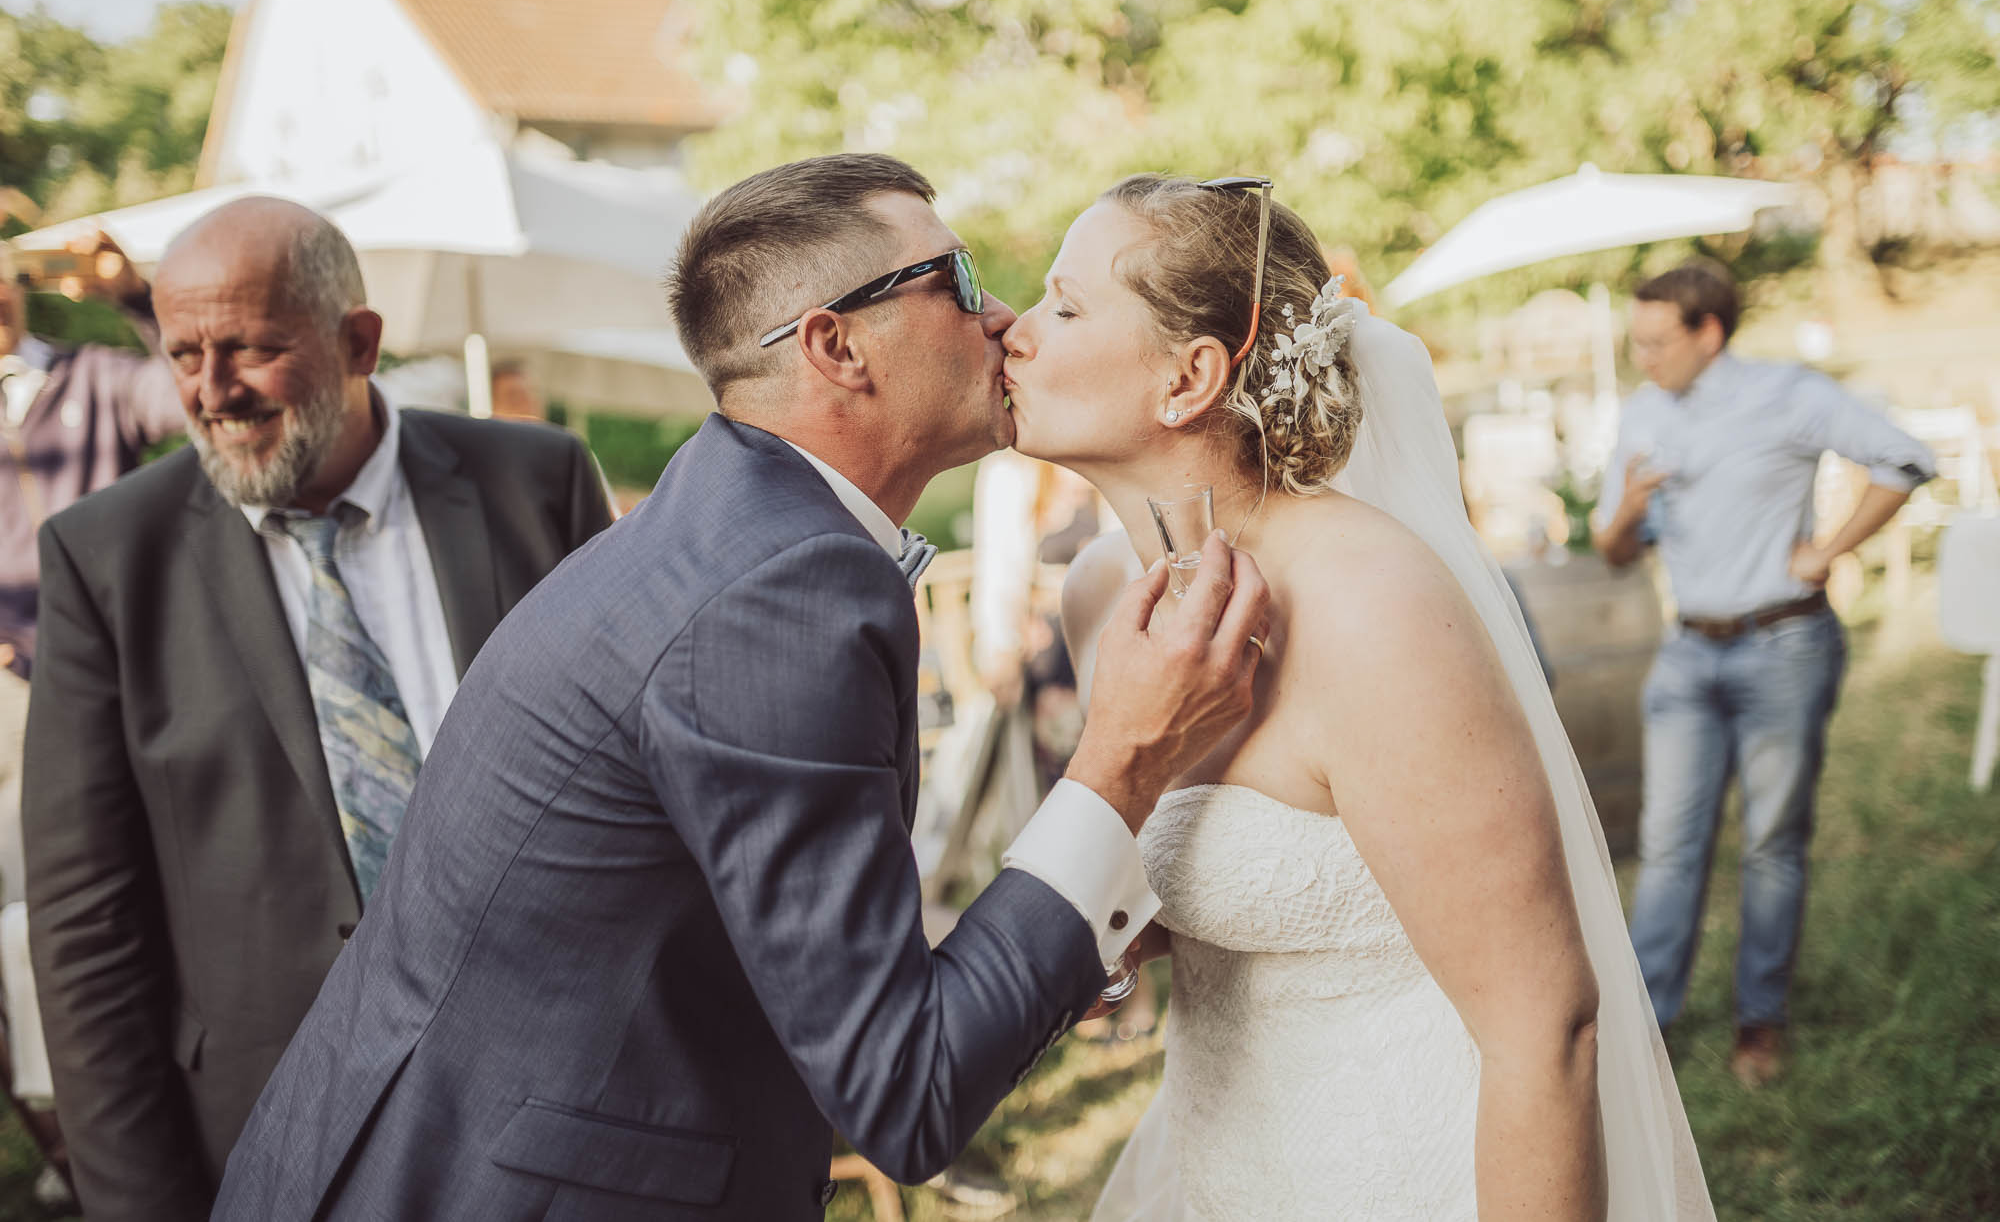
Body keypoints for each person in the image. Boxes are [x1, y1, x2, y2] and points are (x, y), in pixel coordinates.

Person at [214, 154, 1268, 1221]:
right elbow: (904, 1091)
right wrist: (1120, 761)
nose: (1000, 318)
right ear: (833, 344)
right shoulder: (782, 590)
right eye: (954, 281)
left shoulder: (729, 524)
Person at [1003, 174, 1713, 1219]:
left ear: (1187, 376)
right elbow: (1168, 899)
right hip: (1218, 1170)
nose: (1008, 332)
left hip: (1411, 1171)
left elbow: (1543, 1025)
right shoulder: (1102, 593)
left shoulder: (1371, 604)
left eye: (1061, 307)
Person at [23, 197, 614, 1222]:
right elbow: (85, 931)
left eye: (249, 349)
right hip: (274, 1141)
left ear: (360, 341)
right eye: (182, 354)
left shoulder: (537, 484)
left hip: (564, 1109)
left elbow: (630, 794)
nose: (211, 393)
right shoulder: (108, 559)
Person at [1592, 261, 1934, 1087]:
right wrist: (1632, 506)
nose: (1643, 357)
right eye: (1633, 341)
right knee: (1670, 844)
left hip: (1783, 646)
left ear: (1709, 332)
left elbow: (1906, 459)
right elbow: (1610, 551)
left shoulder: (1788, 393)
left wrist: (1827, 549)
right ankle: (1649, 1028)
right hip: (1687, 654)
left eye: (1657, 340)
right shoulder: (1642, 410)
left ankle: (1760, 1023)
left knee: (1773, 843)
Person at [0, 231, 185, 1203]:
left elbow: (197, 399)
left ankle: (84, 1137)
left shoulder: (97, 380)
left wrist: (138, 296)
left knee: (59, 904)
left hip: (93, 686)